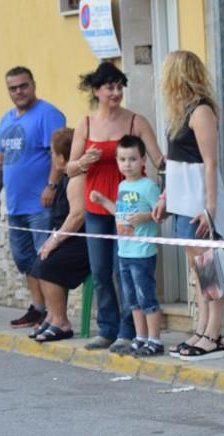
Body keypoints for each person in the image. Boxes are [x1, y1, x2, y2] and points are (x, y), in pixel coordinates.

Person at [67, 61, 164, 353]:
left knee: (125, 271)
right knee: (100, 270)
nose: (116, 92)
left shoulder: (136, 121)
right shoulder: (85, 124)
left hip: (130, 207)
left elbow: (158, 159)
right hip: (97, 206)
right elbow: (69, 168)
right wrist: (82, 163)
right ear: (96, 90)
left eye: (120, 86)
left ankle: (128, 329)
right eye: (110, 87)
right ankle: (106, 328)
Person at [153, 50, 224, 361]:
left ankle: (213, 333)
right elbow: (173, 163)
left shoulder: (201, 112)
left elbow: (210, 163)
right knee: (198, 272)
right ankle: (201, 329)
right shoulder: (179, 114)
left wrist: (210, 210)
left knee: (209, 269)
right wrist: (164, 197)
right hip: (183, 202)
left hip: (199, 202)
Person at [0, 66, 66, 330]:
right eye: (13, 88)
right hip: (16, 204)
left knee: (46, 258)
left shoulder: (48, 115)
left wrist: (51, 186)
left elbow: (59, 155)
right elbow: (0, 159)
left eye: (23, 86)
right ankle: (37, 308)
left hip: (41, 203)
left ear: (33, 84)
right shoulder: (6, 120)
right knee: (25, 259)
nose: (19, 92)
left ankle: (54, 315)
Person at [90, 135, 163, 355]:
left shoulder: (148, 186)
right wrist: (103, 201)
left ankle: (155, 340)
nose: (127, 164)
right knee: (132, 300)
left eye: (132, 159)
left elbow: (161, 214)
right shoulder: (122, 185)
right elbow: (121, 214)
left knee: (146, 297)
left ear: (143, 161)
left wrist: (145, 216)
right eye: (122, 159)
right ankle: (140, 336)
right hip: (124, 251)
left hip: (142, 252)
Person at [29, 127, 90, 342]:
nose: (51, 157)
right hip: (69, 237)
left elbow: (77, 217)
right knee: (39, 262)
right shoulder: (65, 178)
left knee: (49, 264)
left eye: (54, 153)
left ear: (63, 157)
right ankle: (53, 316)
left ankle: (62, 323)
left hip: (83, 242)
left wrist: (54, 241)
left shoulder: (77, 179)